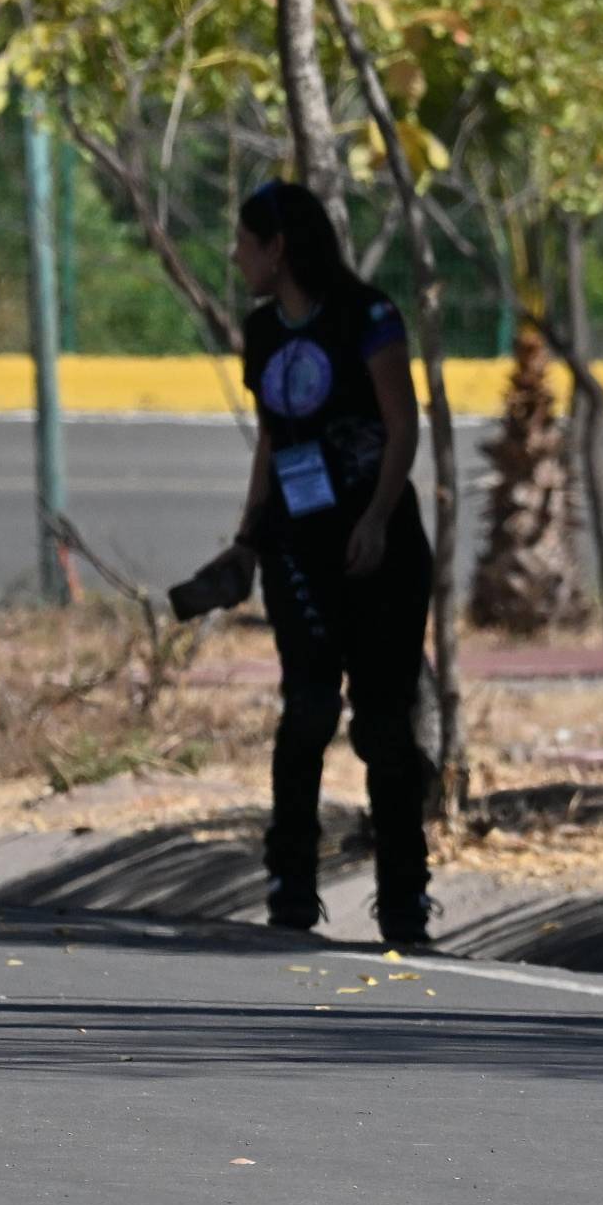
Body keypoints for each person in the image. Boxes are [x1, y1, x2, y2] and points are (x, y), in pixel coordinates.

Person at [209, 179, 437, 945]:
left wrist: (375, 518)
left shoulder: (369, 318)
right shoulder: (263, 331)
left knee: (381, 726)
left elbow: (402, 427)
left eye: (245, 242)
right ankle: (291, 895)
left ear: (278, 248)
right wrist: (247, 539)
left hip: (378, 547)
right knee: (307, 712)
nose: (236, 256)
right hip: (297, 550)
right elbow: (274, 441)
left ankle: (404, 900)